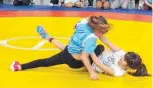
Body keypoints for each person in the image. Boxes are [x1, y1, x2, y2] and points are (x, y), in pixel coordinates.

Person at [11, 26, 148, 77]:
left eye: (123, 60)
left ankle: (47, 38)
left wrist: (88, 49)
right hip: (91, 53)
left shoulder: (117, 72)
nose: (120, 58)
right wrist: (98, 29)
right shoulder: (121, 54)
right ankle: (21, 66)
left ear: (128, 67)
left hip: (82, 62)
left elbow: (99, 65)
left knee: (60, 55)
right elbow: (105, 41)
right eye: (123, 56)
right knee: (62, 52)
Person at [11, 16, 111, 80]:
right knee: (100, 48)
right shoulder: (91, 38)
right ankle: (48, 38)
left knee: (46, 62)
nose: (102, 35)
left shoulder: (83, 23)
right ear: (97, 29)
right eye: (103, 32)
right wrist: (92, 72)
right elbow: (84, 57)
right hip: (75, 63)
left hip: (67, 53)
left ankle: (20, 66)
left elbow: (75, 26)